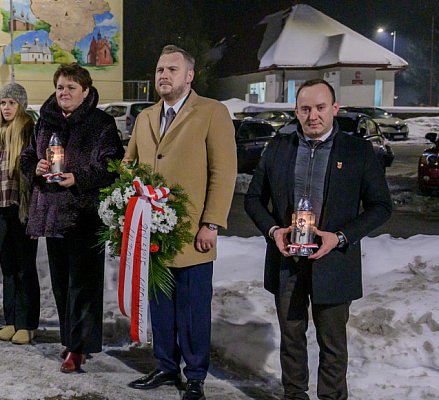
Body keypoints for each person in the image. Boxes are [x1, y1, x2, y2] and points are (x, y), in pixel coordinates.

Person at [244, 79, 392, 400]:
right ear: (296, 111)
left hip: (334, 263)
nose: (313, 115)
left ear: (335, 109)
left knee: (333, 347)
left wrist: (340, 237)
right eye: (305, 108)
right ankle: (294, 395)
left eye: (321, 107)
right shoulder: (278, 148)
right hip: (287, 263)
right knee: (292, 341)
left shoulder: (358, 152)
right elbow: (253, 200)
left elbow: (381, 207)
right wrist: (274, 231)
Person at [123, 45, 237, 400]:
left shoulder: (212, 112)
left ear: (189, 76)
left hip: (192, 232)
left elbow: (224, 171)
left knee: (192, 309)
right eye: (159, 69)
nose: (163, 75)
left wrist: (212, 223)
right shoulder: (144, 117)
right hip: (152, 232)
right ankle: (165, 366)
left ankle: (195, 374)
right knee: (160, 305)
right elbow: (129, 164)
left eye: (172, 69)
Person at [20, 63, 124, 373]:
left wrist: (77, 177)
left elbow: (111, 166)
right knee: (61, 283)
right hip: (52, 214)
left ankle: (79, 347)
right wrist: (35, 167)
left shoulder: (101, 123)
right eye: (61, 87)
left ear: (86, 92)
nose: (65, 93)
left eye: (71, 88)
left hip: (84, 215)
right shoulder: (44, 122)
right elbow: (26, 156)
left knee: (84, 285)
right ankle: (70, 340)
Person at [0, 82, 40, 345]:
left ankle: (28, 324)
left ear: (21, 106)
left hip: (20, 208)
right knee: (8, 267)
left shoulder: (29, 132)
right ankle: (11, 320)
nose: (6, 108)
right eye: (3, 103)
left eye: (11, 103)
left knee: (25, 267)